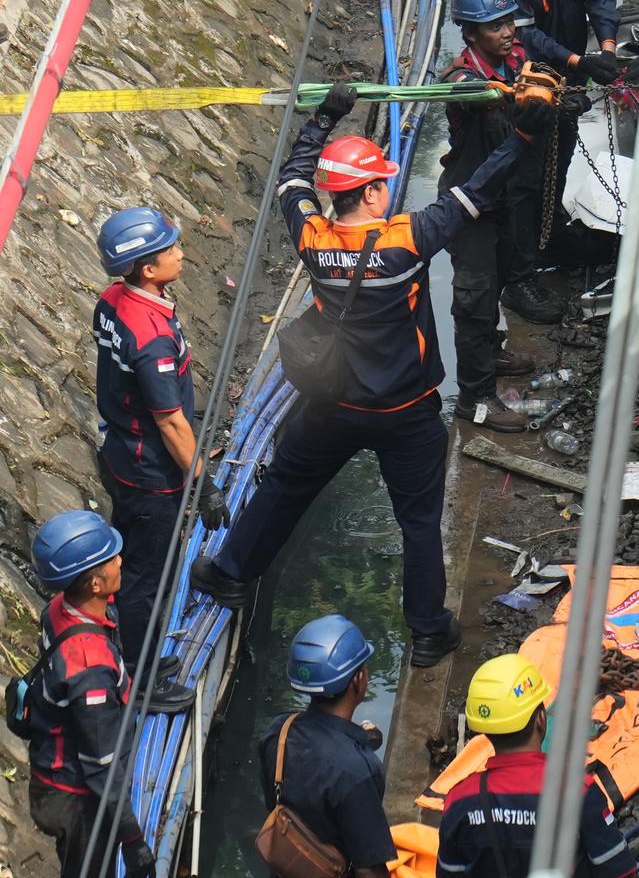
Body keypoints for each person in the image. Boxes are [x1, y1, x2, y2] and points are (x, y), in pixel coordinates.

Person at [191, 83, 553, 667]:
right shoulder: (406, 240)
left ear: (337, 195)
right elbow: (477, 190)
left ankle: (231, 572)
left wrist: (324, 118)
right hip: (406, 415)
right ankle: (430, 633)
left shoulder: (314, 238)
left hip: (333, 407)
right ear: (377, 189)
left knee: (284, 486)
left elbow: (291, 181)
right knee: (417, 525)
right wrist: (526, 134)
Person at [91, 206, 225, 679]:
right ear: (147, 269)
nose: (182, 253)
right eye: (171, 248)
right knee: (148, 577)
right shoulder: (151, 339)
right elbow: (170, 424)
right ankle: (141, 674)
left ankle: (121, 638)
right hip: (150, 476)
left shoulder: (111, 301)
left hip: (121, 457)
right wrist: (204, 486)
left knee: (127, 556)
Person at [479, 0, 621, 279]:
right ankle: (521, 272)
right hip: (528, 76)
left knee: (560, 152)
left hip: (574, 63)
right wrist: (580, 63)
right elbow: (521, 35)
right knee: (527, 165)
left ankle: (550, 231)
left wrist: (609, 48)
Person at [25, 510, 161, 878]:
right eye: (111, 558)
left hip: (52, 770)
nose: (120, 559)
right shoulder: (91, 670)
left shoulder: (59, 609)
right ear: (95, 586)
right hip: (76, 797)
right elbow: (100, 766)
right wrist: (132, 840)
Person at [441, 0, 548, 432]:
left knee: (500, 276)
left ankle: (492, 351)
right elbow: (472, 97)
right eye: (494, 27)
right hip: (470, 207)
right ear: (470, 34)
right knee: (474, 298)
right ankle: (475, 397)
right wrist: (515, 105)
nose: (507, 32)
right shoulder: (464, 80)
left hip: (501, 197)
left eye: (508, 22)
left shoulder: (516, 60)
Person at [437, 655, 639, 878]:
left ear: (486, 730)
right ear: (541, 720)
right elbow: (620, 870)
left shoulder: (459, 800)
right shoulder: (577, 790)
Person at [256, 614, 393, 877]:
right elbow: (369, 869)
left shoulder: (279, 731)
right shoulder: (358, 769)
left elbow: (273, 803)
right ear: (358, 680)